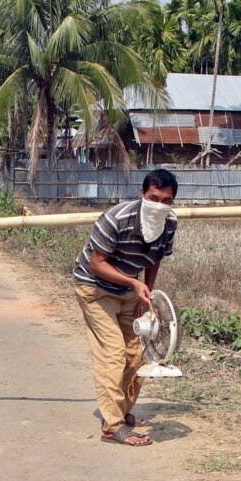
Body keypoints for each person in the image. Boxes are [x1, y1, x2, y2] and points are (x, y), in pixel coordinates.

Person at [72, 169, 178, 447]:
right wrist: (133, 283)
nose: (160, 204)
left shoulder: (169, 224)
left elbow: (155, 258)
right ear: (142, 194)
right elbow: (97, 263)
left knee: (138, 354)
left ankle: (121, 411)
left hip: (130, 290)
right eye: (154, 197)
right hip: (94, 287)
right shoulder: (116, 218)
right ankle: (113, 426)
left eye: (166, 200)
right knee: (113, 353)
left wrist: (148, 295)